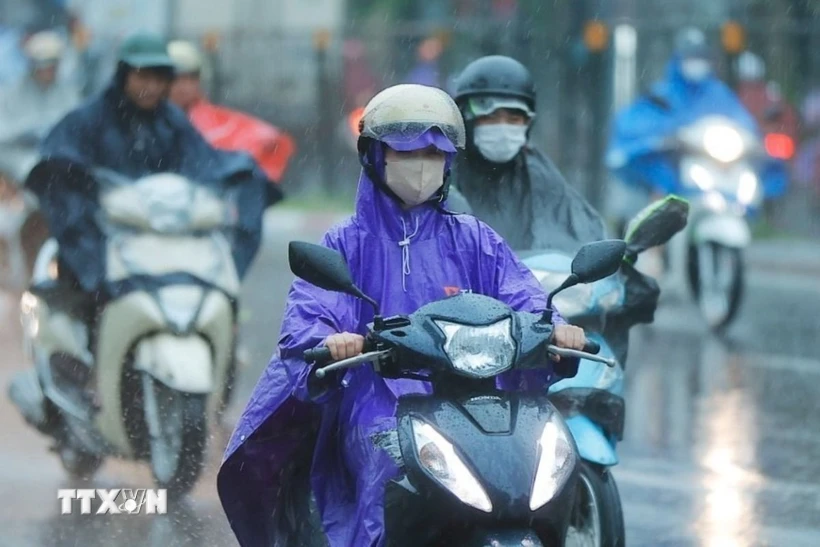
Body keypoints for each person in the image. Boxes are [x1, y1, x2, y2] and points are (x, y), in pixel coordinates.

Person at [217, 84, 587, 547]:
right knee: (387, 462)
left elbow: (525, 298)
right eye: (407, 150)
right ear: (374, 156)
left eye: (435, 152)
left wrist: (555, 329)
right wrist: (332, 339)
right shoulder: (345, 244)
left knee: (538, 456)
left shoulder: (475, 238)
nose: (422, 163)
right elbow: (310, 313)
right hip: (378, 397)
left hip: (478, 396)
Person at [25, 31, 280, 300]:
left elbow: (204, 164)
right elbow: (57, 169)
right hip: (104, 243)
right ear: (124, 75)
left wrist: (243, 176)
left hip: (163, 238)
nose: (151, 87)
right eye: (143, 77)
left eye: (159, 78)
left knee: (250, 175)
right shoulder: (88, 119)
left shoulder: (171, 122)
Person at [447, 55, 606, 253]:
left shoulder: (542, 177)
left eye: (514, 119)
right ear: (464, 119)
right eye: (489, 117)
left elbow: (581, 241)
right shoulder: (443, 173)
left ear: (528, 123)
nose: (502, 128)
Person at [607, 27, 787, 201]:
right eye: (691, 57)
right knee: (658, 195)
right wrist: (669, 136)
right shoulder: (662, 95)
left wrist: (751, 138)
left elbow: (741, 120)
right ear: (679, 59)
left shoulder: (719, 93)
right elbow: (636, 124)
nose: (696, 62)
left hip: (717, 166)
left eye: (700, 57)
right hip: (676, 169)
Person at [167, 40, 296, 184]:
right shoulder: (151, 120)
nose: (184, 87)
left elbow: (270, 141)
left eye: (191, 79)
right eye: (176, 79)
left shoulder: (217, 122)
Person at [0, 29, 80, 144]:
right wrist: (27, 132)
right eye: (44, 66)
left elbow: (76, 127)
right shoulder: (11, 94)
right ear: (33, 66)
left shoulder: (68, 94)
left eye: (52, 66)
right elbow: (3, 132)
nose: (48, 71)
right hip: (17, 156)